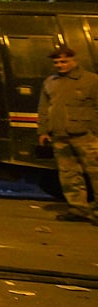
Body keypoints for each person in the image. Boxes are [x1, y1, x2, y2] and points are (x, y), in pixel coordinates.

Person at [36, 45, 98, 224]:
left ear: (74, 60)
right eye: (57, 62)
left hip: (87, 136)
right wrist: (43, 131)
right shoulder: (50, 82)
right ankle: (78, 209)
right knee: (69, 175)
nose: (60, 65)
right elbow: (43, 108)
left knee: (95, 173)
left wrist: (94, 130)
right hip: (60, 136)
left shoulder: (91, 80)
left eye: (64, 61)